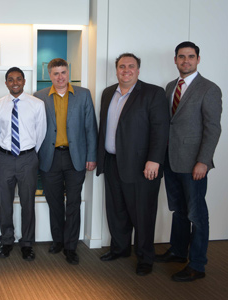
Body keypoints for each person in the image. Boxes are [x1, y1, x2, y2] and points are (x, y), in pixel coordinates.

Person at [155, 41, 222, 282]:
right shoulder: (171, 86)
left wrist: (203, 161)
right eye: (181, 57)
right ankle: (177, 251)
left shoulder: (209, 89)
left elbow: (213, 129)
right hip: (171, 160)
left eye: (190, 57)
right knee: (179, 210)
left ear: (198, 59)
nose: (186, 61)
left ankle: (197, 264)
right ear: (175, 60)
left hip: (194, 164)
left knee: (196, 214)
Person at [96, 53, 169, 276]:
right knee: (116, 209)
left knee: (142, 214)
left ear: (138, 70)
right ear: (116, 69)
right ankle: (120, 248)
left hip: (141, 166)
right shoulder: (109, 93)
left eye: (131, 66)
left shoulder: (153, 93)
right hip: (112, 162)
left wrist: (154, 159)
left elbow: (161, 129)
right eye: (121, 66)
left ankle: (145, 257)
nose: (125, 70)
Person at [34, 58, 97, 265]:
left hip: (75, 157)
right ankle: (58, 241)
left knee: (73, 202)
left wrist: (91, 156)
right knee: (54, 203)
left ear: (68, 73)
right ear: (49, 76)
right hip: (49, 158)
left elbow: (90, 128)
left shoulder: (84, 94)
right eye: (55, 74)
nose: (60, 77)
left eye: (63, 72)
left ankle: (71, 246)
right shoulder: (39, 97)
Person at [0, 67, 46, 261]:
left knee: (27, 203)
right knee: (4, 202)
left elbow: (40, 133)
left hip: (28, 159)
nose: (15, 82)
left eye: (19, 79)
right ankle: (6, 241)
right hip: (5, 158)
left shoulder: (37, 104)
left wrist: (27, 153)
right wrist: (8, 150)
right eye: (11, 79)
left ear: (24, 81)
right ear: (6, 82)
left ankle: (27, 243)